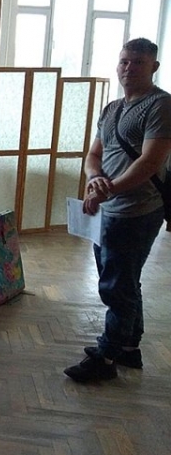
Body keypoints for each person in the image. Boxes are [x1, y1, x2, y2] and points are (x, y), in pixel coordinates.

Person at [64, 38, 171, 383]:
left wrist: (107, 191)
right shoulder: (112, 108)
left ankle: (107, 356)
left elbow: (150, 162)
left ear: (154, 67)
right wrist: (95, 179)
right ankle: (128, 347)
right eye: (124, 61)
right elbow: (93, 154)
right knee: (124, 279)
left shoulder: (161, 105)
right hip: (108, 208)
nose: (129, 68)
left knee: (116, 285)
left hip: (137, 210)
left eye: (138, 62)